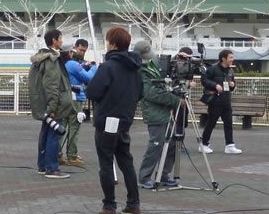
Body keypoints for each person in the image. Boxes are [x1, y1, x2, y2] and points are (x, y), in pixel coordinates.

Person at [86, 27, 143, 214]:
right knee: (126, 161)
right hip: (125, 120)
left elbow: (93, 92)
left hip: (107, 120)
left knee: (106, 162)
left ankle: (109, 205)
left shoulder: (108, 66)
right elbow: (140, 93)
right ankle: (133, 203)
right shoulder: (136, 68)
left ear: (112, 44)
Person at [136, 40, 184, 189]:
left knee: (172, 144)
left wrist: (178, 59)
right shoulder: (139, 71)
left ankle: (163, 174)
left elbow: (167, 65)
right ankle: (144, 178)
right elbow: (152, 94)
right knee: (156, 145)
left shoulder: (153, 63)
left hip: (165, 111)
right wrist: (176, 101)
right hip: (154, 113)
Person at [29, 29, 74, 179]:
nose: (62, 40)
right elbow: (52, 85)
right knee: (54, 136)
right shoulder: (52, 59)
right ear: (54, 41)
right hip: (54, 105)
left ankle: (42, 166)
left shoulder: (41, 57)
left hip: (43, 103)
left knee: (45, 134)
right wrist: (53, 107)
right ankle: (52, 168)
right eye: (60, 38)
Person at [59, 40, 97, 166]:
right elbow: (89, 78)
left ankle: (57, 154)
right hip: (75, 99)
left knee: (61, 127)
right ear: (71, 51)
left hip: (64, 98)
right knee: (74, 127)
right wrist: (94, 67)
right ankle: (72, 155)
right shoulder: (73, 64)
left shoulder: (62, 63)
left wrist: (84, 67)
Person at [199, 49, 242, 154]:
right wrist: (215, 85)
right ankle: (204, 144)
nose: (232, 59)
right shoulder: (213, 68)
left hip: (226, 100)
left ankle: (229, 145)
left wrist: (233, 85)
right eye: (230, 57)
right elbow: (204, 80)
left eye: (232, 57)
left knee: (228, 123)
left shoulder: (231, 70)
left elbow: (232, 83)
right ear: (224, 58)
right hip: (215, 101)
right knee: (211, 123)